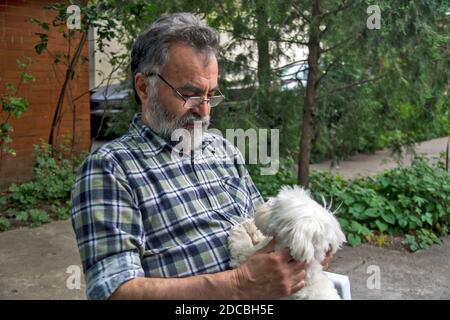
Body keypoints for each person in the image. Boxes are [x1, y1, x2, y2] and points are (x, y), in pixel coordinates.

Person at [71, 12, 331, 300]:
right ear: (144, 87)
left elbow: (260, 233)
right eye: (190, 94)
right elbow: (113, 291)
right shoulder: (110, 168)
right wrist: (239, 286)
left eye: (210, 95)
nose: (205, 111)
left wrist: (302, 254)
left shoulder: (223, 150)